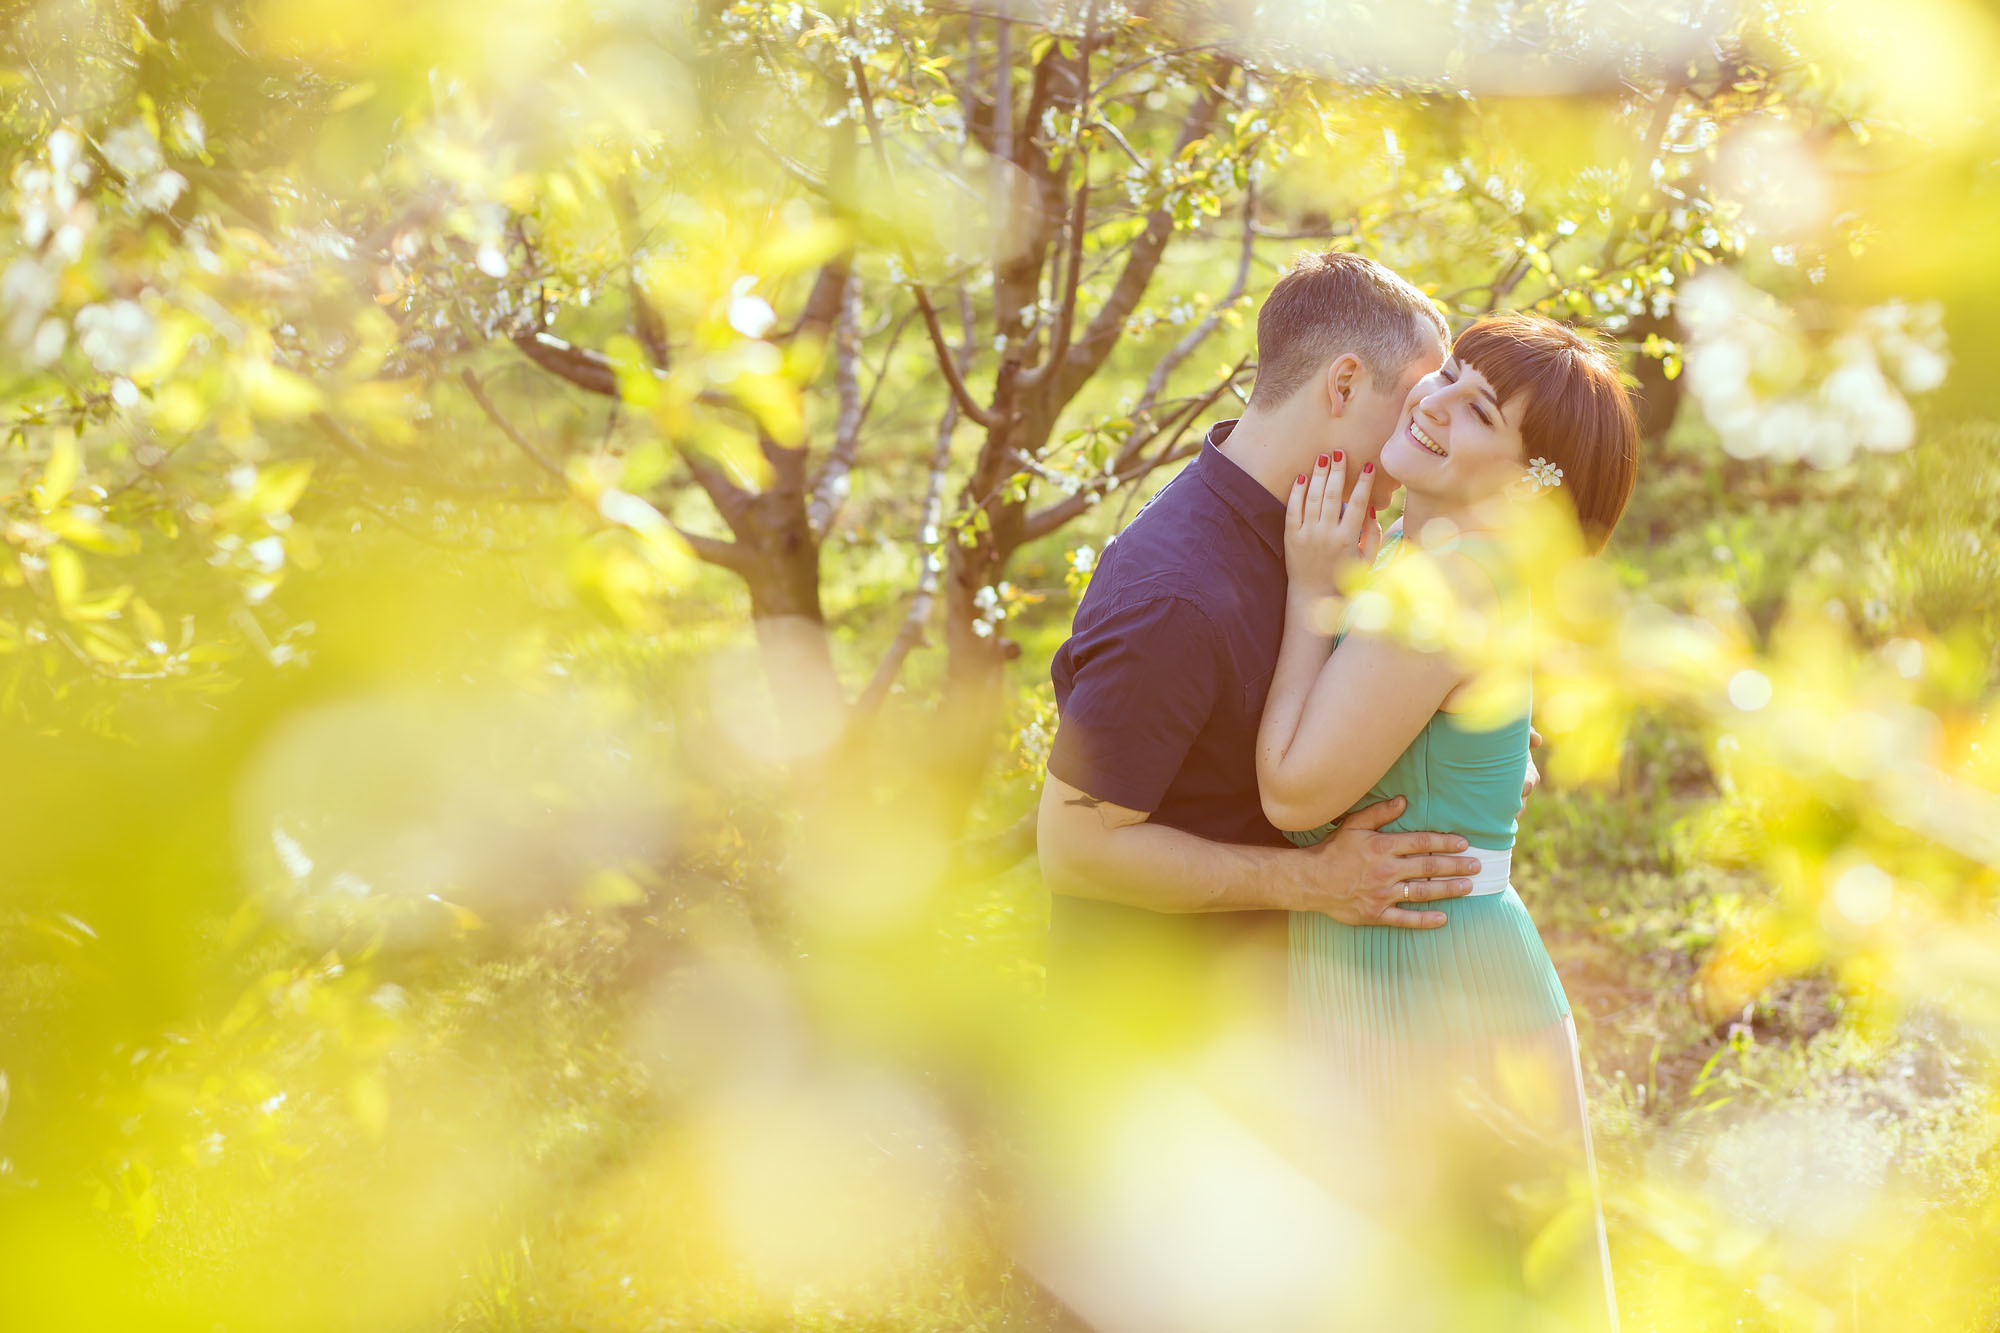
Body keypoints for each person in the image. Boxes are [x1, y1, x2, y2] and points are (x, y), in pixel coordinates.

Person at [1258, 310, 1640, 1330]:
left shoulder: (1451, 583)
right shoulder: (1430, 555)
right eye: (1451, 378)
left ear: (1524, 485)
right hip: (1421, 958)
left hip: (1429, 987)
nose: (1429, 401)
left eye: (1474, 412)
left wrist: (1307, 594)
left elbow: (1293, 790)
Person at [1036, 252, 1519, 1046]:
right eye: (1411, 401)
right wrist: (1313, 881)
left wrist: (1467, 746)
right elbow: (1076, 847)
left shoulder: (1329, 536)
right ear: (1342, 385)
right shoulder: (1177, 595)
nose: (1424, 423)